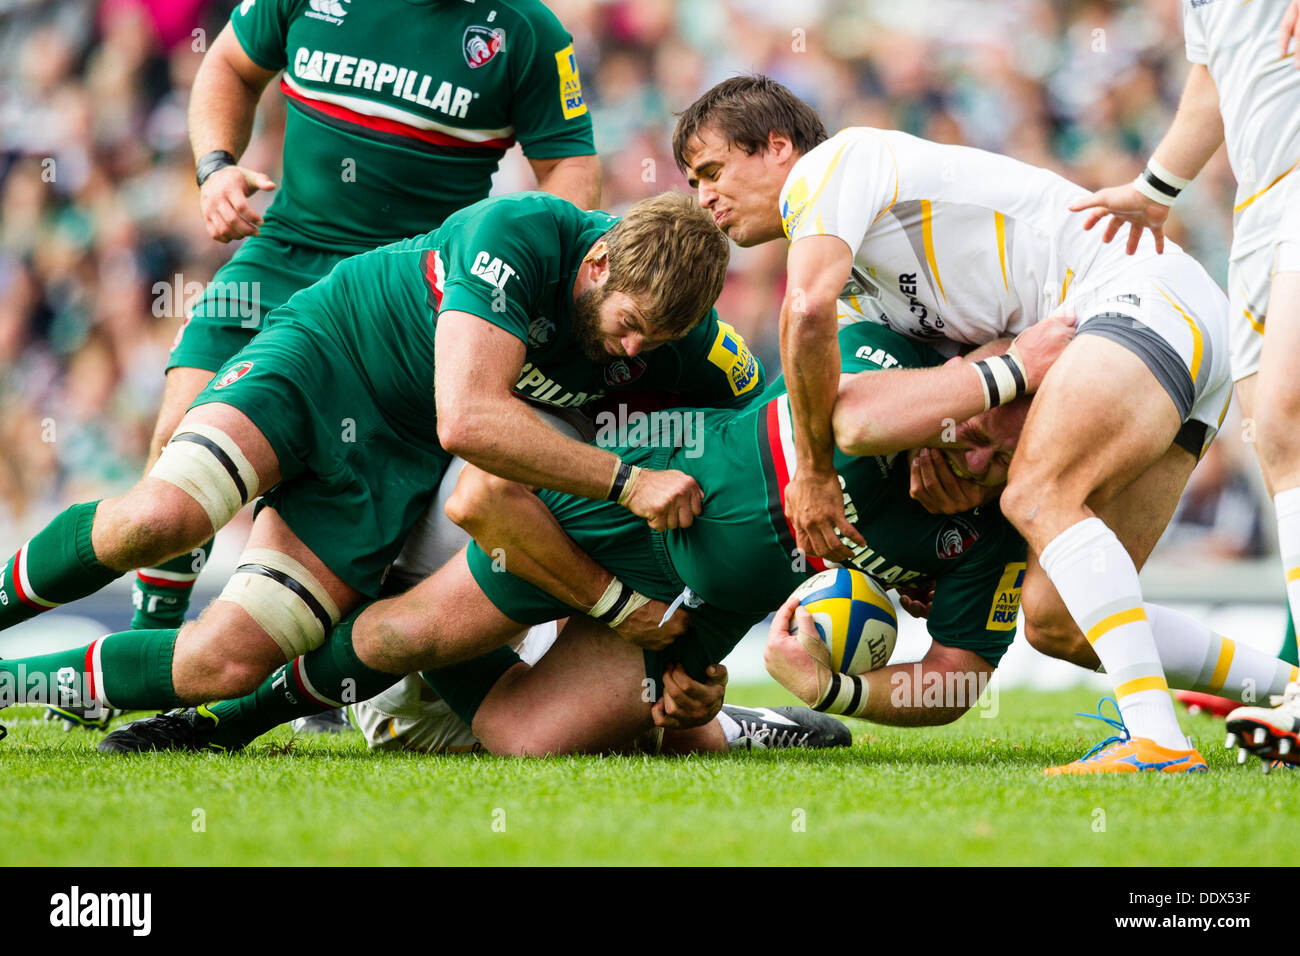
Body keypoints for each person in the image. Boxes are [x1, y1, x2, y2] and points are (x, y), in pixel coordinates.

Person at [96, 318, 1054, 754]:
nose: (970, 456)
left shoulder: (995, 543)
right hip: (629, 513)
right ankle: (229, 719)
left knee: (523, 737)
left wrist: (841, 686)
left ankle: (726, 727)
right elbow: (845, 410)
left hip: (698, 611)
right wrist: (940, 418)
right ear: (970, 375)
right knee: (398, 637)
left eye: (995, 463)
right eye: (971, 424)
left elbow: (962, 673)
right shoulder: (891, 360)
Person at [0, 191, 756, 725]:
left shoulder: (691, 347)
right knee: (162, 516)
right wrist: (630, 482)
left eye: (653, 343)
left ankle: (6, 687)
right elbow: (467, 419)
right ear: (597, 264)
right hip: (328, 359)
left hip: (394, 466)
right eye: (628, 326)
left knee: (221, 665)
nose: (633, 351)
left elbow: (763, 440)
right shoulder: (521, 232)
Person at [672, 75, 1238, 773]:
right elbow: (953, 398)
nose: (704, 199)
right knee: (1063, 621)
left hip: (1136, 295)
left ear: (779, 148)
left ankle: (1157, 743)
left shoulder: (831, 167)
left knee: (1037, 496)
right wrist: (936, 452)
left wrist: (814, 475)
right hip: (1185, 342)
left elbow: (807, 312)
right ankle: (1288, 692)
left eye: (711, 172)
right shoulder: (869, 285)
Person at [130, 0, 600, 634]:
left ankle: (295, 663)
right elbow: (231, 66)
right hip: (282, 255)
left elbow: (570, 165)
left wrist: (520, 264)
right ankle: (149, 639)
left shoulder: (525, 30)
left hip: (404, 297)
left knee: (332, 486)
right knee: (179, 438)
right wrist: (216, 167)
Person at [1067, 0, 1300, 765]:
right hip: (1259, 206)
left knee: (1288, 410)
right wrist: (1157, 188)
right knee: (1278, 438)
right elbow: (1213, 75)